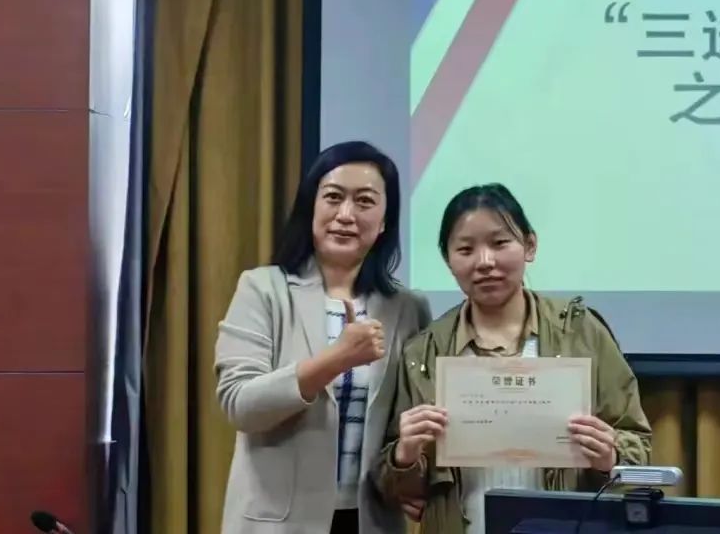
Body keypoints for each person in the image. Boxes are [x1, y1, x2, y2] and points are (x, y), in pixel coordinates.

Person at [375, 183, 652, 533]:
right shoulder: (424, 353)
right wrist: (404, 456)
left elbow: (638, 446)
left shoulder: (581, 332)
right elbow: (394, 486)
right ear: (448, 260)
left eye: (499, 243)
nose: (485, 262)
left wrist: (609, 458)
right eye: (465, 249)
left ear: (529, 245)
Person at [215, 141, 431, 534]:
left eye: (365, 201)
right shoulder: (263, 289)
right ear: (311, 208)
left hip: (370, 520)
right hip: (277, 524)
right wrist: (336, 359)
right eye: (333, 197)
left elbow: (404, 424)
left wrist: (409, 476)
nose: (346, 215)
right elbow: (240, 405)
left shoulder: (407, 308)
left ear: (385, 221)